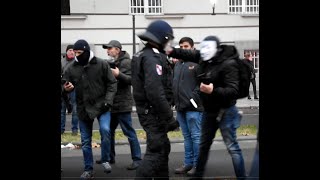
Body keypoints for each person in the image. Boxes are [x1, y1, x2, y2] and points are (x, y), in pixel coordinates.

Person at [167, 35, 247, 179]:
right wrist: (169, 49)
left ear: (216, 49)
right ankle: (195, 172)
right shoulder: (203, 58)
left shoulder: (228, 63)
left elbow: (233, 90)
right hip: (209, 110)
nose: (204, 51)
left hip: (226, 111)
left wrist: (211, 91)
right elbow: (184, 54)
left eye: (207, 48)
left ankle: (242, 177)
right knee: (203, 146)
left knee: (232, 147)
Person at [131, 20, 179, 180]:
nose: (170, 43)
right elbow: (155, 92)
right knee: (156, 150)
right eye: (169, 39)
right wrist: (170, 118)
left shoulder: (144, 55)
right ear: (162, 38)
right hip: (153, 113)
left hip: (150, 111)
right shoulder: (151, 58)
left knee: (163, 147)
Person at [62, 39, 117, 179]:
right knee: (86, 141)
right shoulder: (71, 67)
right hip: (83, 108)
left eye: (79, 53)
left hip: (102, 105)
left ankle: (105, 159)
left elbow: (112, 83)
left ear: (86, 51)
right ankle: (88, 169)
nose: (76, 55)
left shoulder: (101, 64)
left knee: (105, 130)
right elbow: (64, 85)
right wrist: (66, 88)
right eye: (75, 53)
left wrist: (108, 101)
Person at [95, 40, 142, 170]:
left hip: (122, 104)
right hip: (112, 104)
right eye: (107, 48)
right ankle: (110, 157)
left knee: (129, 132)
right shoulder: (112, 62)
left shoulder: (126, 62)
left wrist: (118, 74)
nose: (108, 51)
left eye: (110, 48)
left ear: (117, 49)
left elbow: (132, 80)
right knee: (109, 132)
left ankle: (137, 159)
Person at [172, 37, 204, 176]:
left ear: (192, 47)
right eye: (181, 47)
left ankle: (197, 165)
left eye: (186, 46)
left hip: (193, 108)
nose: (183, 49)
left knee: (196, 136)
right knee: (186, 137)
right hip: (180, 108)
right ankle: (188, 163)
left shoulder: (198, 62)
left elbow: (202, 85)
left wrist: (192, 99)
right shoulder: (178, 64)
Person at [61, 45, 79, 135]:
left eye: (73, 51)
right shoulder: (62, 62)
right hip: (63, 89)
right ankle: (61, 130)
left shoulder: (77, 62)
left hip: (74, 89)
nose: (72, 52)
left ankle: (74, 130)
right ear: (67, 51)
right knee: (62, 110)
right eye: (70, 50)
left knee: (75, 110)